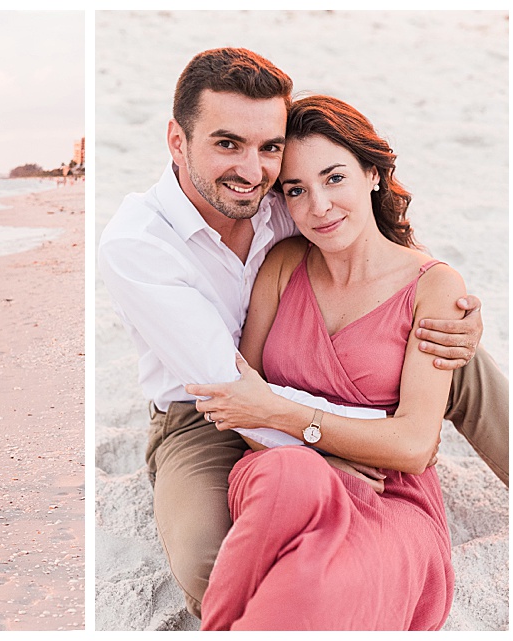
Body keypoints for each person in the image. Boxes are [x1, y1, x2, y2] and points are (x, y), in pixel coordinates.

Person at [96, 47, 506, 621]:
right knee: (208, 566)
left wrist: (457, 306)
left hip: (319, 392)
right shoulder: (137, 245)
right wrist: (340, 447)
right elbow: (235, 391)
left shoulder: (284, 194)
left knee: (445, 340)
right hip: (209, 409)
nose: (251, 168)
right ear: (177, 140)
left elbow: (376, 247)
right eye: (225, 143)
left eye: (267, 147)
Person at [184, 95, 456, 630]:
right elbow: (244, 403)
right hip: (278, 467)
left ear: (372, 173)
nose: (319, 206)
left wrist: (285, 415)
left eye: (334, 179)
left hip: (389, 491)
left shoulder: (434, 286)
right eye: (296, 191)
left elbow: (414, 445)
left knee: (318, 586)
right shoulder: (284, 265)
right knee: (292, 475)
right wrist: (315, 454)